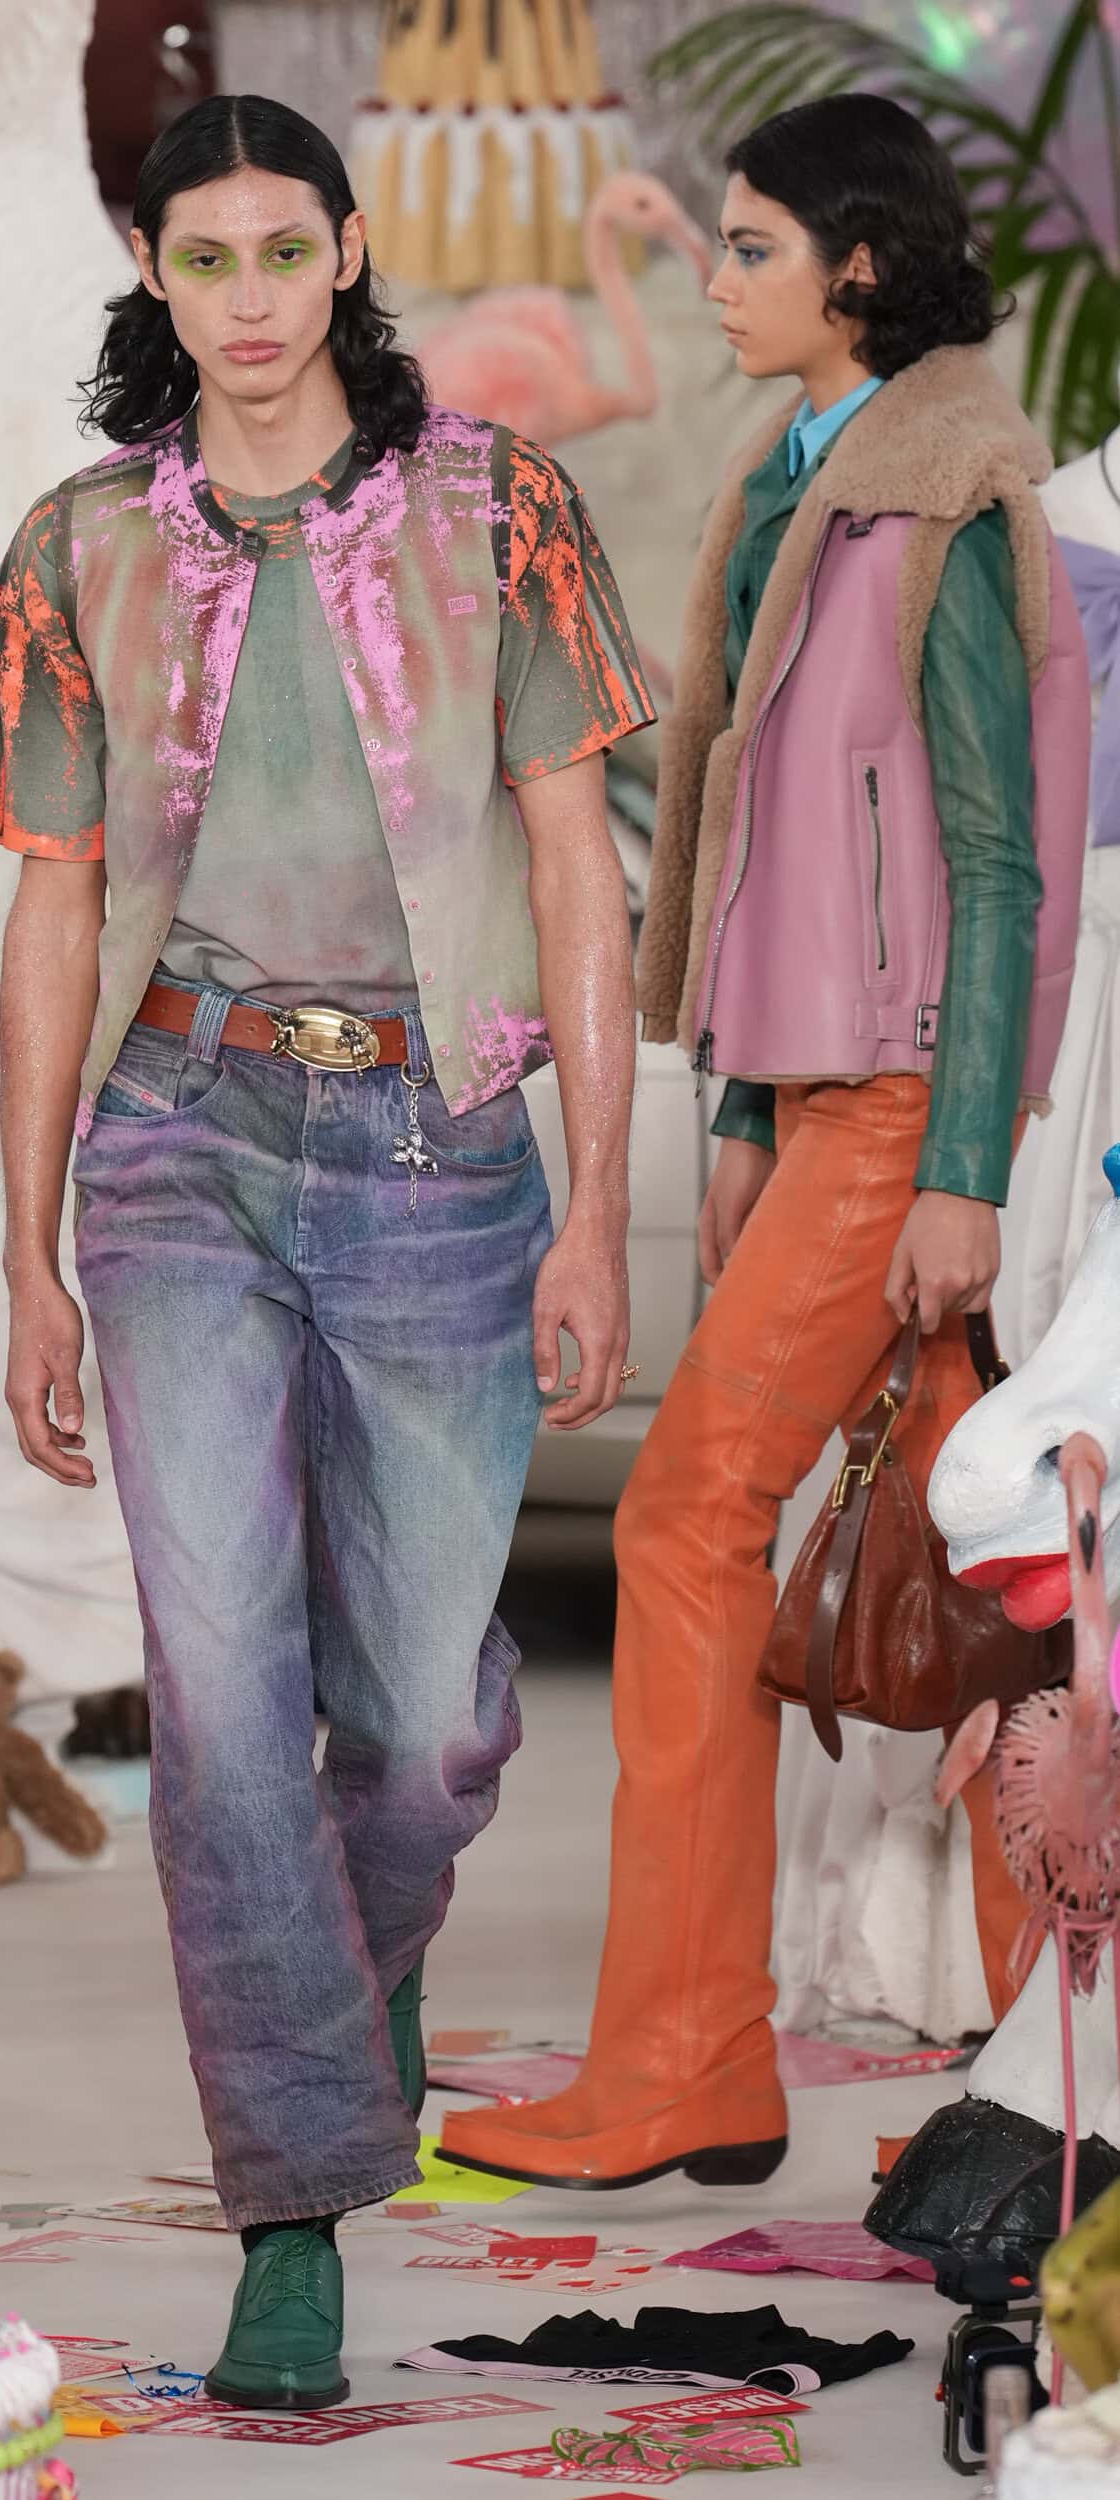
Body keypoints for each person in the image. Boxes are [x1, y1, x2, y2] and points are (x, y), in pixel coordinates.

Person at [0, 93, 653, 2402]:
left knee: (429, 1718)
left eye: (284, 252)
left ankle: (358, 1961)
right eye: (205, 258)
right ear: (152, 274)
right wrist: (32, 1246)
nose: (249, 299)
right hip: (179, 1132)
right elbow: (53, 906)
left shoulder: (499, 510)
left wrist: (597, 1200)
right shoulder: (77, 545)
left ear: (347, 255)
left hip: (440, 1143)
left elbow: (576, 860)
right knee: (225, 1692)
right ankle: (292, 2205)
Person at [441, 92, 1089, 2194]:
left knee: (687, 1519)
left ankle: (688, 2060)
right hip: (817, 1095)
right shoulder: (800, 484)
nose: (715, 282)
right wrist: (735, 1099)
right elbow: (761, 841)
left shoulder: (941, 499)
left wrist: (962, 1165)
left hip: (904, 1101)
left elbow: (998, 859)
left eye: (749, 248)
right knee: (987, 1579)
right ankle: (1013, 2085)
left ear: (859, 268)